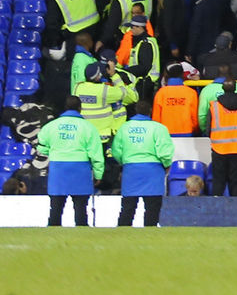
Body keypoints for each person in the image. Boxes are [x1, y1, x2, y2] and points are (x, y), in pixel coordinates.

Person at [36, 96, 104, 227]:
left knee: (56, 208)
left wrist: (54, 152)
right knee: (81, 210)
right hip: (80, 169)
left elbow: (41, 147)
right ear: (80, 108)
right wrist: (98, 174)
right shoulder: (89, 127)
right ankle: (82, 240)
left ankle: (52, 240)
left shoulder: (51, 126)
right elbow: (96, 155)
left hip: (58, 169)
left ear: (65, 107)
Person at [111, 103, 174, 226]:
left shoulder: (125, 128)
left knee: (128, 206)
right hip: (153, 170)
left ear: (136, 110)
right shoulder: (159, 128)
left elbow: (116, 151)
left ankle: (122, 234)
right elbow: (165, 152)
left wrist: (124, 162)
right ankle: (150, 234)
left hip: (131, 170)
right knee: (152, 207)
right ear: (150, 111)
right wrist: (166, 165)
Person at [208, 79, 237, 197]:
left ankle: (216, 208)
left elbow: (208, 129)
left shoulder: (214, 106)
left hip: (219, 149)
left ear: (222, 89)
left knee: (218, 181)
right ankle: (236, 209)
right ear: (235, 88)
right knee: (236, 182)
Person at [152, 64, 199, 136]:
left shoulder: (161, 93)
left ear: (167, 75)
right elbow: (195, 119)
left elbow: (156, 118)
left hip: (165, 134)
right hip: (187, 133)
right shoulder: (191, 93)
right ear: (182, 74)